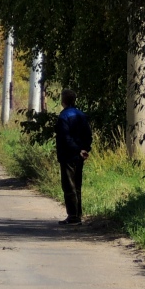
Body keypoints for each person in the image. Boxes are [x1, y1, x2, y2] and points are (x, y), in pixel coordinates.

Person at [55, 89, 93, 225]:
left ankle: (73, 217)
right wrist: (84, 149)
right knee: (77, 185)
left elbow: (65, 137)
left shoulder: (64, 116)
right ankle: (78, 214)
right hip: (79, 155)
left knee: (69, 186)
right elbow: (88, 134)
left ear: (63, 101)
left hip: (68, 155)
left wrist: (77, 150)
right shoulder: (81, 115)